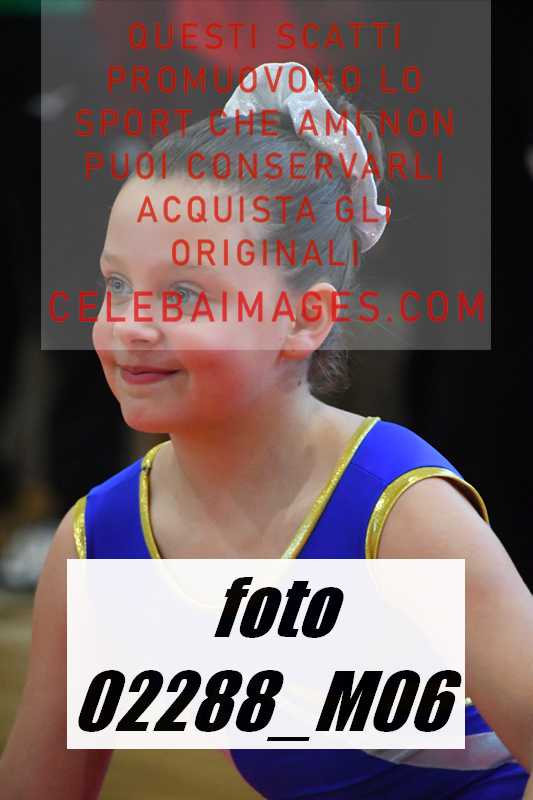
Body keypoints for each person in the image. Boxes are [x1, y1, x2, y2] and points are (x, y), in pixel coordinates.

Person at [2, 63, 532, 800]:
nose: (130, 324)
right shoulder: (101, 539)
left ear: (303, 319)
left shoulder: (398, 511)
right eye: (116, 284)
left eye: (183, 293)